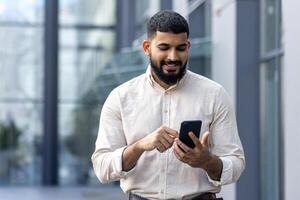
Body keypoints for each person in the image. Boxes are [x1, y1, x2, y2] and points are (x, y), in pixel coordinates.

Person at [91, 10, 245, 200]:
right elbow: (101, 167)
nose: (173, 56)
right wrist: (139, 147)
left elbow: (236, 164)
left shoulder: (214, 95)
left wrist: (206, 161)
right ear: (147, 47)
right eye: (164, 47)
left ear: (188, 47)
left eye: (180, 48)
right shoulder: (121, 98)